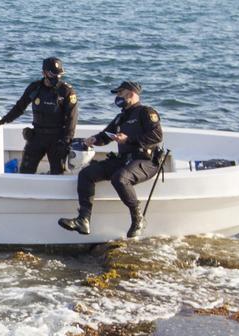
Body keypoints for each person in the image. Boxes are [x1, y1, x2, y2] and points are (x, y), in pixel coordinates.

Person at [59, 81, 164, 238]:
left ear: (131, 94)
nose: (117, 97)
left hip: (146, 161)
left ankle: (138, 219)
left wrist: (128, 139)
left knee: (120, 178)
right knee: (87, 174)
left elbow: (156, 136)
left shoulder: (146, 112)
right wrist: (94, 139)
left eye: (120, 94)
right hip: (124, 160)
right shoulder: (120, 117)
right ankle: (84, 220)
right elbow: (105, 136)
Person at [0, 57, 78, 175]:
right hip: (37, 136)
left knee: (57, 173)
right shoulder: (35, 88)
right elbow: (20, 107)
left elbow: (72, 118)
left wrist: (66, 140)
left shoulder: (66, 91)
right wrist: (3, 120)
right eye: (52, 74)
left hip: (57, 138)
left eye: (59, 74)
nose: (56, 77)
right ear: (44, 73)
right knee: (25, 171)